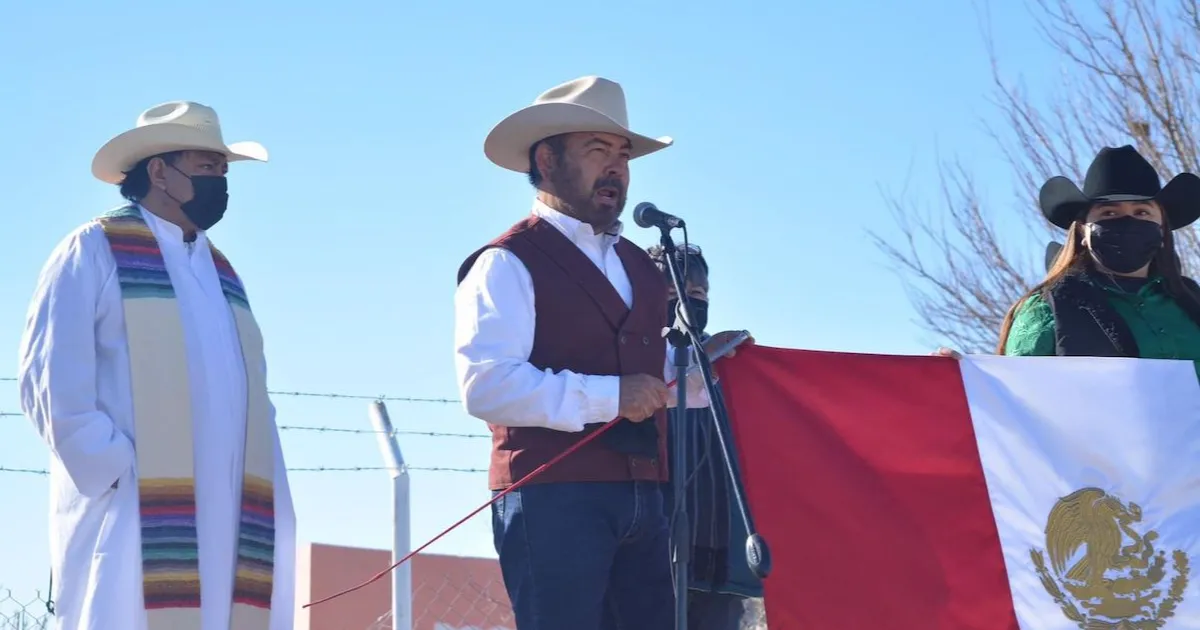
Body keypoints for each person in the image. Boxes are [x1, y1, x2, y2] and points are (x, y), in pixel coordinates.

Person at [454, 76, 751, 630]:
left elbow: (649, 374)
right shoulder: (506, 262)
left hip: (646, 496)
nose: (616, 168)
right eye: (598, 151)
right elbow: (487, 385)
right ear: (547, 160)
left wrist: (701, 370)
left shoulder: (640, 265)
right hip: (552, 498)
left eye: (623, 156)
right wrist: (612, 396)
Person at [17, 101, 296, 630]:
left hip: (235, 509)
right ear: (159, 171)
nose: (219, 179)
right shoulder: (96, 249)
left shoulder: (222, 272)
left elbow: (249, 392)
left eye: (222, 169)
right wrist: (117, 469)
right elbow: (48, 380)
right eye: (205, 165)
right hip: (139, 508)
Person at [648, 243, 763, 630]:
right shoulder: (630, 355)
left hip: (718, 558)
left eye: (699, 295)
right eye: (674, 294)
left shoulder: (728, 361)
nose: (690, 303)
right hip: (650, 555)